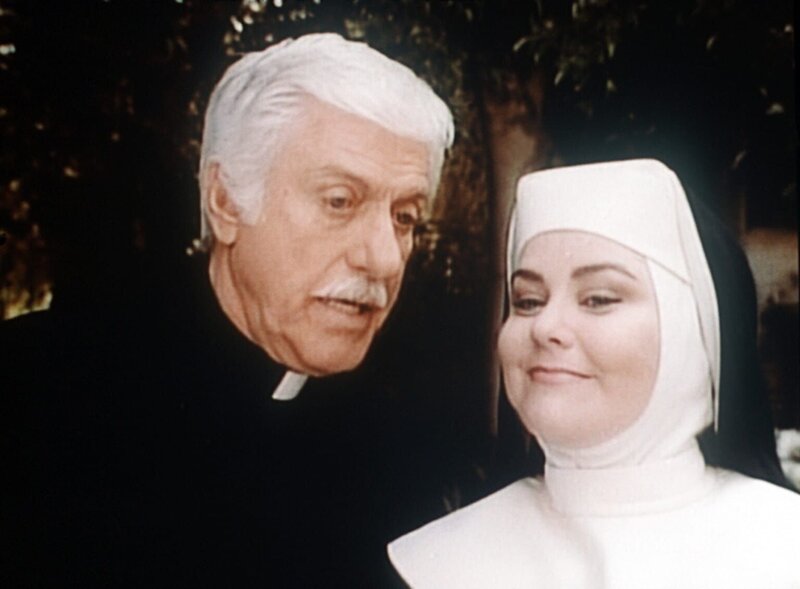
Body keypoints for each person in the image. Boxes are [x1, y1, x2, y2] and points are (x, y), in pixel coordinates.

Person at [2, 33, 458, 586]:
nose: (383, 258)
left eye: (405, 217)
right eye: (340, 201)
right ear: (225, 202)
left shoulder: (413, 460)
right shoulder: (34, 395)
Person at [388, 159, 800, 588]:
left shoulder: (786, 548)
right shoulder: (431, 565)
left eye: (598, 299)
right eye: (527, 301)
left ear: (691, 334)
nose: (545, 327)